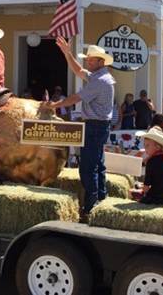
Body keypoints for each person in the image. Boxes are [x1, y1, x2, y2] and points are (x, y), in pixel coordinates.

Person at [44, 37, 115, 215]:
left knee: (87, 168)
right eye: (88, 59)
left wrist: (54, 105)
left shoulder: (100, 81)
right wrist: (67, 53)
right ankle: (100, 200)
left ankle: (91, 206)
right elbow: (78, 70)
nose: (87, 62)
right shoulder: (100, 76)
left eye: (90, 59)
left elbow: (76, 98)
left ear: (100, 61)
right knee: (97, 164)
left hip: (95, 126)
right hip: (98, 126)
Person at [131, 127, 163, 205]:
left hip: (156, 198)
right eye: (144, 145)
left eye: (147, 146)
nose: (145, 149)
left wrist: (140, 188)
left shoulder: (151, 162)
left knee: (131, 192)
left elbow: (146, 189)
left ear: (157, 147)